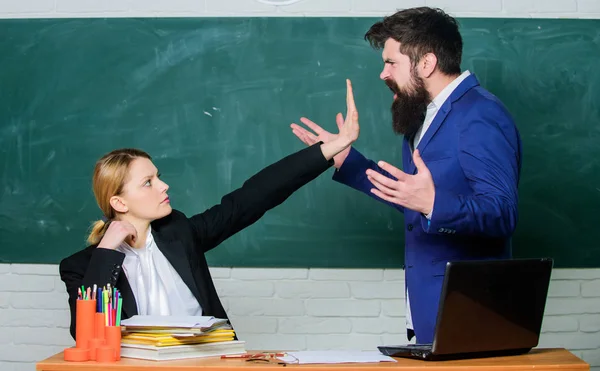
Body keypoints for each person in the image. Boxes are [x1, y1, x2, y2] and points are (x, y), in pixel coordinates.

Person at [60, 80, 360, 340]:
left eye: (159, 177)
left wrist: (329, 149)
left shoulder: (180, 234)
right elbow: (88, 334)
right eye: (148, 183)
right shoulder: (81, 267)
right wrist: (107, 253)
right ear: (119, 203)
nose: (164, 186)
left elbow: (251, 199)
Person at [291, 7, 522, 344]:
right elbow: (414, 200)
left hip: (471, 315)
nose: (383, 74)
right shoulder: (421, 119)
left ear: (426, 63)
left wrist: (433, 203)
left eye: (391, 62)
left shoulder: (480, 114)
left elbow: (503, 212)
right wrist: (348, 162)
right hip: (427, 307)